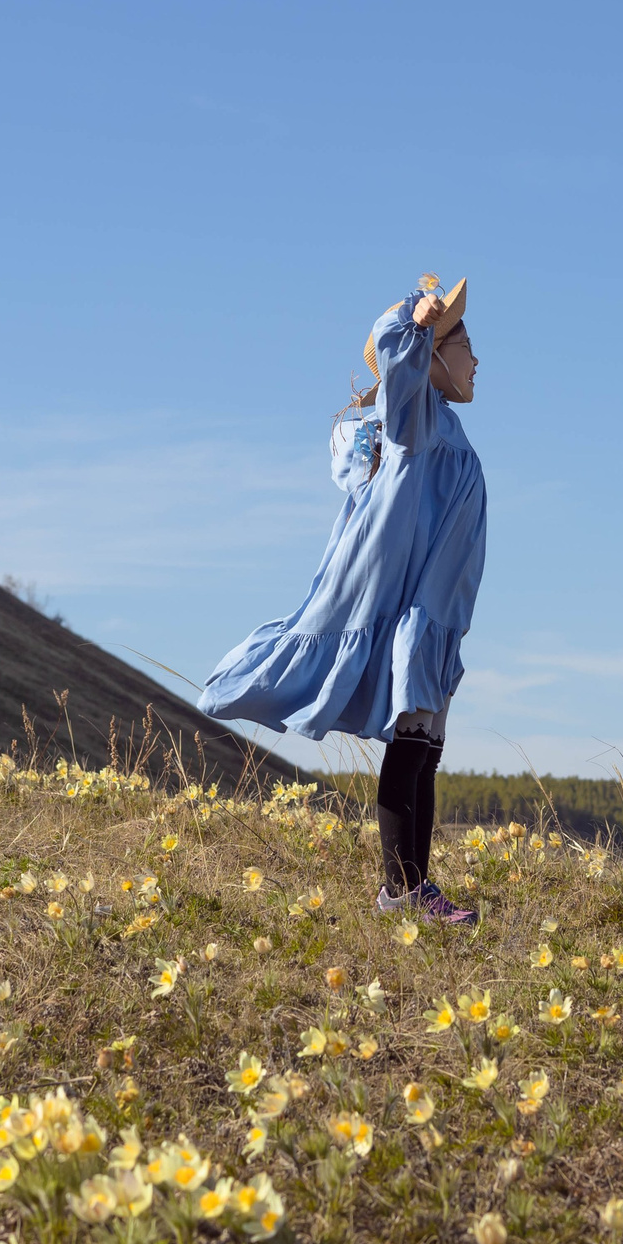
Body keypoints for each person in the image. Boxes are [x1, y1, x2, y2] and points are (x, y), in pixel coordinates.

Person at [197, 278, 486, 921]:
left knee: (427, 745)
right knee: (412, 741)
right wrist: (413, 317)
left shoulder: (450, 429)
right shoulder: (415, 417)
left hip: (439, 614)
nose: (477, 360)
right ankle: (401, 891)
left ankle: (414, 887)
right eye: (465, 343)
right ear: (433, 353)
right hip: (409, 610)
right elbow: (392, 350)